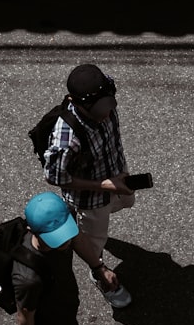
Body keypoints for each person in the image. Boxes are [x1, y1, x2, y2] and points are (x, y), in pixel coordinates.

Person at [42, 63, 135, 309]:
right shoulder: (66, 137)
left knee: (126, 202)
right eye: (97, 110)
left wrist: (115, 181)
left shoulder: (104, 94)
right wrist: (104, 185)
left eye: (108, 104)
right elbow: (54, 176)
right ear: (75, 101)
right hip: (90, 198)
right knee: (94, 240)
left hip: (116, 175)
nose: (106, 113)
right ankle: (99, 273)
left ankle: (81, 221)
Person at [6, 192, 124, 325]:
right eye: (56, 237)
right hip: (55, 321)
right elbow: (24, 319)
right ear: (32, 231)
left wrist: (99, 267)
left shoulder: (63, 219)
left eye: (65, 232)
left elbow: (77, 238)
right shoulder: (28, 279)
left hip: (57, 301)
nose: (65, 241)